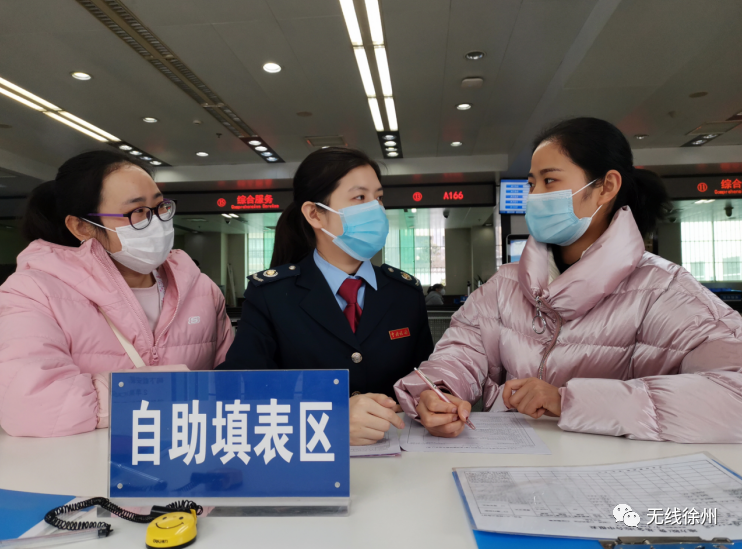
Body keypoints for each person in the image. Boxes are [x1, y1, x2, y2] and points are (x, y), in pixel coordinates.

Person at [395, 117, 742, 443]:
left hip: (617, 478)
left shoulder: (665, 291)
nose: (534, 196)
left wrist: (570, 401)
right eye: (532, 184)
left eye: (550, 181)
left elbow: (732, 394)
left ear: (606, 186)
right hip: (515, 467)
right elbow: (460, 353)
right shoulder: (504, 286)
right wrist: (439, 391)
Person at [0, 151, 234, 437]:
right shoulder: (32, 293)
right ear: (82, 227)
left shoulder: (200, 289)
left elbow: (231, 386)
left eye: (160, 206)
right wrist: (166, 388)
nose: (157, 222)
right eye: (137, 211)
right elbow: (33, 406)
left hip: (187, 454)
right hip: (87, 463)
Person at [219, 147, 434, 445]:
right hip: (308, 453)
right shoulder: (272, 295)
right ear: (314, 213)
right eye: (359, 198)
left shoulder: (404, 293)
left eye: (379, 197)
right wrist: (330, 418)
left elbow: (423, 380)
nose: (376, 209)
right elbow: (241, 390)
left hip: (397, 453)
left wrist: (435, 402)